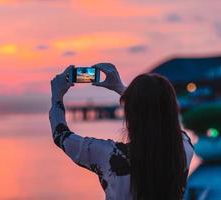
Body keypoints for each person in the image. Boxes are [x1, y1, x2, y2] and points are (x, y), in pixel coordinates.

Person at [49, 63, 194, 200]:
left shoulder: (110, 155)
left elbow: (60, 135)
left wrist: (57, 96)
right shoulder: (184, 148)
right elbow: (164, 119)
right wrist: (122, 89)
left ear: (131, 113)